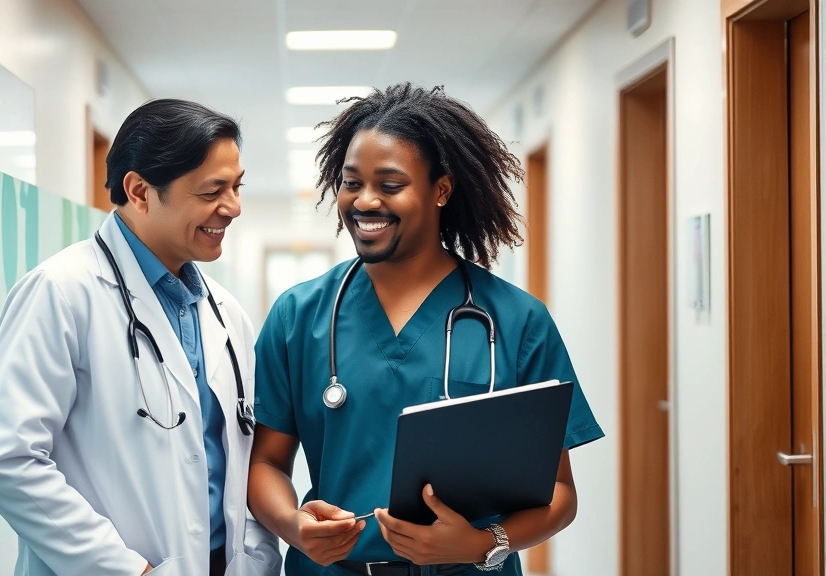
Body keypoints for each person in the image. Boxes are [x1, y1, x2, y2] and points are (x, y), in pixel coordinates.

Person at [248, 83, 604, 576]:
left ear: (441, 190)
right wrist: (294, 526)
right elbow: (266, 464)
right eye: (351, 183)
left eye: (390, 185)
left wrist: (481, 543)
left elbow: (560, 493)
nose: (364, 201)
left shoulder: (518, 321)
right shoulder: (298, 315)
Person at [0, 99, 281, 576]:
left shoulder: (226, 314)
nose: (233, 207)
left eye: (237, 187)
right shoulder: (60, 293)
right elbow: (7, 463)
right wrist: (128, 571)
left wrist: (258, 559)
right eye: (212, 190)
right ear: (139, 190)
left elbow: (235, 455)